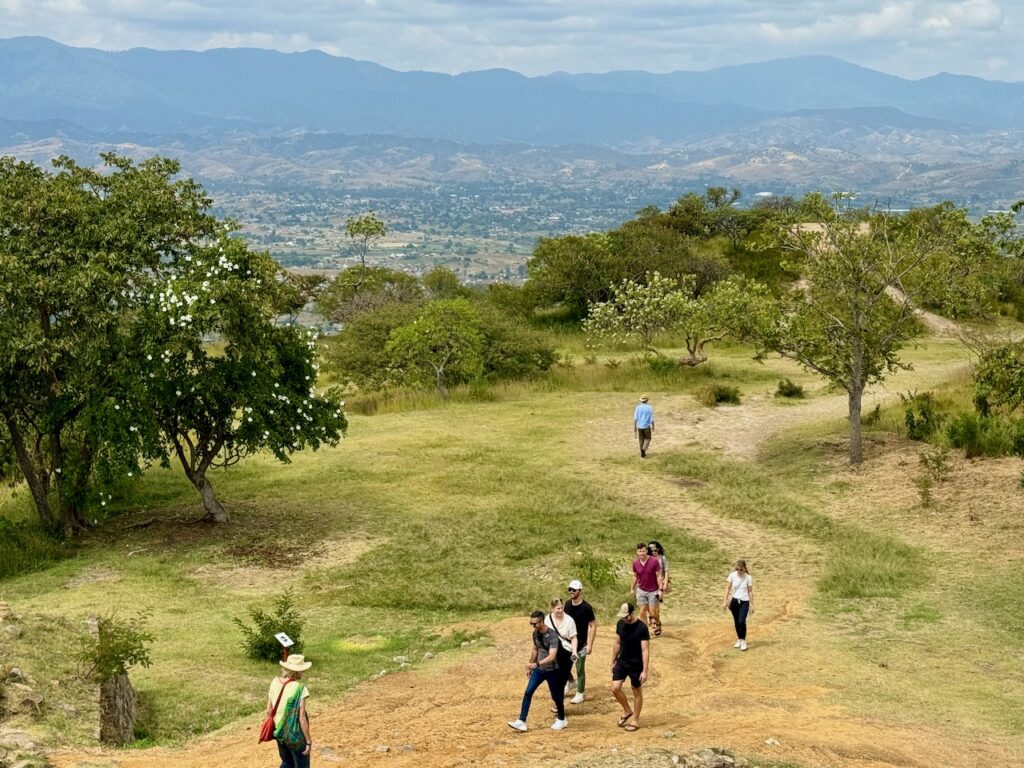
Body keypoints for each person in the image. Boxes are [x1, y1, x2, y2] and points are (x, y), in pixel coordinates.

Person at [508, 610, 567, 732]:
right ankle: (522, 721)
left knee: (555, 696)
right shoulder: (535, 634)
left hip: (552, 670)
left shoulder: (552, 635)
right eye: (531, 623)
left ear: (541, 622)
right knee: (528, 692)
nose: (533, 626)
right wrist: (531, 664)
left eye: (534, 624)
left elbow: (552, 656)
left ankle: (562, 719)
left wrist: (536, 664)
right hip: (539, 670)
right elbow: (535, 649)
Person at [610, 602, 650, 732]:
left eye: (626, 616)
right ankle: (627, 710)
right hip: (622, 661)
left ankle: (636, 720)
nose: (624, 619)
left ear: (632, 614)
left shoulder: (642, 628)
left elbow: (645, 650)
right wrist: (613, 661)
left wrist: (644, 670)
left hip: (636, 664)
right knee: (615, 688)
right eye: (622, 616)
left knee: (636, 691)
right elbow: (617, 643)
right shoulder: (620, 624)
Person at [268, 654, 313, 768]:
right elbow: (301, 718)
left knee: (287, 763)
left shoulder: (274, 682)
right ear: (297, 672)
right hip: (296, 737)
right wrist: (308, 741)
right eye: (302, 670)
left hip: (280, 732)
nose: (302, 673)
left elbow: (269, 710)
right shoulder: (300, 689)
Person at [564, 579, 597, 704]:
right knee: (563, 667)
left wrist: (590, 644)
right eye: (569, 589)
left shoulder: (586, 608)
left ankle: (580, 693)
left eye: (573, 590)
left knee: (580, 669)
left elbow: (593, 625)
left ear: (580, 591)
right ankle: (571, 682)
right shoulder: (567, 604)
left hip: (581, 643)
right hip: (567, 642)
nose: (571, 592)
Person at [631, 542, 662, 635]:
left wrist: (660, 589)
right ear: (637, 552)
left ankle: (658, 622)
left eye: (644, 551)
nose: (642, 553)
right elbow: (635, 576)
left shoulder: (654, 561)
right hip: (641, 590)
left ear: (647, 551)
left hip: (653, 591)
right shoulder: (635, 563)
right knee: (642, 611)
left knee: (653, 612)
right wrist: (632, 588)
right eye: (640, 551)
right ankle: (644, 631)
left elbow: (659, 576)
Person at [723, 559, 754, 651]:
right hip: (734, 602)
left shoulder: (748, 577)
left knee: (741, 621)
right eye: (737, 569)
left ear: (744, 568)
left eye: (741, 569)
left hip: (744, 601)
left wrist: (752, 604)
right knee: (736, 621)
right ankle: (739, 639)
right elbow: (727, 588)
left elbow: (750, 591)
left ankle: (743, 640)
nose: (739, 571)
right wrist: (725, 601)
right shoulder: (732, 575)